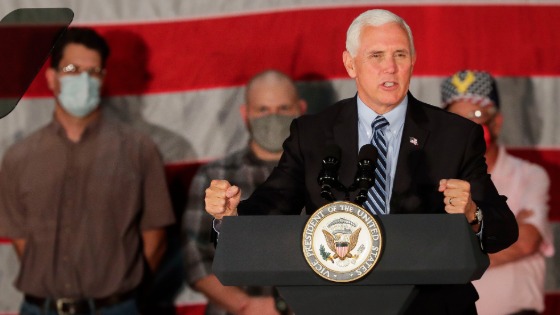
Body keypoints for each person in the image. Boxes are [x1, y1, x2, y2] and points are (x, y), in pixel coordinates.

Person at [205, 9, 519, 314]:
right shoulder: (313, 133)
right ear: (350, 64)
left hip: (432, 305)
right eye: (376, 55)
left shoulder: (454, 135)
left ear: (413, 60)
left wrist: (471, 213)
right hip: (336, 304)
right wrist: (231, 217)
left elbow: (502, 227)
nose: (391, 68)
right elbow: (271, 206)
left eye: (400, 55)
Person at [0, 27, 175, 315]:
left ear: (103, 79)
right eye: (72, 69)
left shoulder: (139, 150)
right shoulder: (19, 157)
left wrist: (122, 298)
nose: (83, 79)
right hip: (40, 308)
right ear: (52, 78)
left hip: (117, 308)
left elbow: (154, 241)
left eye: (93, 71)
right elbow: (22, 243)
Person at [183, 70, 307, 315]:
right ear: (245, 113)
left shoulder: (322, 174)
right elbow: (195, 256)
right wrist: (246, 306)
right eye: (263, 109)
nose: (273, 117)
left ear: (300, 109)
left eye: (283, 108)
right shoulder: (214, 176)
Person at [442, 70, 554, 315]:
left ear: (497, 122)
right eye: (457, 117)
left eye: (477, 115)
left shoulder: (530, 175)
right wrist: (501, 231)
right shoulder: (438, 180)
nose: (468, 126)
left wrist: (454, 258)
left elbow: (525, 242)